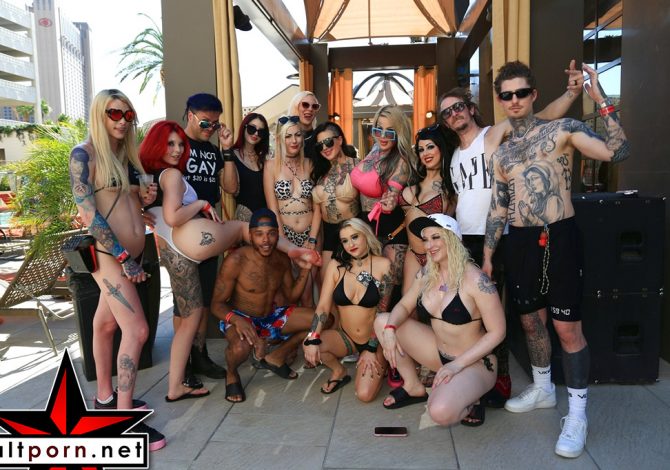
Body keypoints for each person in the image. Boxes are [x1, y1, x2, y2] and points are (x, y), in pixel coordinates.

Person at [483, 61, 630, 458]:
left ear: (533, 95)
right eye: (507, 95)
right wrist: (488, 256)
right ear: (501, 102)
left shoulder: (562, 130)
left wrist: (599, 98)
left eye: (521, 92)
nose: (514, 100)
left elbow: (617, 152)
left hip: (559, 237)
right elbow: (498, 207)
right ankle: (543, 388)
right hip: (519, 242)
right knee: (531, 322)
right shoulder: (503, 153)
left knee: (567, 329)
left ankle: (578, 415)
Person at [139, 121, 320, 402]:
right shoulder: (172, 174)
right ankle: (294, 250)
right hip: (191, 243)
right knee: (242, 229)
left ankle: (175, 386)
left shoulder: (152, 177)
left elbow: (161, 215)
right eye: (169, 144)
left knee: (188, 321)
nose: (176, 150)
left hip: (174, 251)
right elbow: (174, 216)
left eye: (180, 144)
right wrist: (201, 204)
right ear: (155, 145)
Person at [439, 60, 585, 407]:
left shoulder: (494, 135)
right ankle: (481, 378)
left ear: (470, 108)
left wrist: (572, 93)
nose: (454, 114)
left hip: (504, 236)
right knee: (477, 314)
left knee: (501, 314)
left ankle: (501, 380)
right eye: (446, 113)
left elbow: (543, 116)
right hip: (468, 241)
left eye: (458, 107)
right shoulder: (454, 157)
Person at [69, 89, 165, 450]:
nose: (122, 121)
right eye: (114, 113)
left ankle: (106, 400)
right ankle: (122, 422)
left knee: (106, 324)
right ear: (99, 113)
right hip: (110, 256)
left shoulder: (123, 156)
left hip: (128, 255)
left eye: (128, 115)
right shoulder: (84, 155)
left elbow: (124, 203)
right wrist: (124, 256)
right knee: (137, 330)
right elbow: (89, 214)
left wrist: (143, 203)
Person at [375, 214, 505, 427]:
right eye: (425, 240)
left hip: (474, 362)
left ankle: (475, 397)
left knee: (440, 412)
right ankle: (413, 386)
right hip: (438, 354)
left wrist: (457, 366)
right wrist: (390, 329)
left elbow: (498, 332)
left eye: (436, 237)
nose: (429, 245)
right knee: (382, 321)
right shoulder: (427, 274)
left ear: (452, 238)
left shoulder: (476, 280)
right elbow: (404, 306)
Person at [211, 208, 317, 403]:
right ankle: (232, 374)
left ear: (278, 235)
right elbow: (216, 305)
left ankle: (276, 356)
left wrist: (305, 270)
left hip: (269, 316)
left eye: (271, 234)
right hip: (240, 317)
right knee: (240, 347)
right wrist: (237, 320)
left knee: (321, 320)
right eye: (259, 234)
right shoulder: (236, 260)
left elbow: (291, 296)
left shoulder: (281, 259)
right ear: (250, 235)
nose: (266, 240)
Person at [302, 218, 393, 400]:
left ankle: (384, 362)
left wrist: (371, 348)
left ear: (366, 235)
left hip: (375, 341)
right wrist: (313, 336)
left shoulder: (384, 265)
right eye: (345, 240)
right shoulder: (336, 266)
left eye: (354, 237)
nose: (350, 244)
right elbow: (323, 306)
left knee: (364, 395)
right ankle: (339, 371)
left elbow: (382, 311)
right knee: (309, 344)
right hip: (346, 338)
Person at [178, 92, 234, 383]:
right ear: (190, 115)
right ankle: (183, 361)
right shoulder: (176, 145)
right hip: (181, 231)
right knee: (184, 300)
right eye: (205, 123)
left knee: (203, 298)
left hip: (208, 231)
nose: (210, 128)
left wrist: (226, 149)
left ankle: (199, 355)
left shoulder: (213, 150)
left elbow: (231, 187)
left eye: (215, 124)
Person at [264, 115, 320, 306]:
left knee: (307, 294)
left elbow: (317, 206)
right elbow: (273, 208)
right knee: (287, 295)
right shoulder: (271, 166)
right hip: (284, 236)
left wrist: (312, 239)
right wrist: (283, 241)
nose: (294, 140)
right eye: (288, 136)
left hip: (310, 235)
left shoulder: (310, 164)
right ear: (280, 139)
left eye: (297, 135)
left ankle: (309, 327)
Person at [400, 125, 456, 294]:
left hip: (437, 254)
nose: (425, 153)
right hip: (413, 253)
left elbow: (451, 229)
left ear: (441, 148)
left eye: (430, 147)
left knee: (436, 303)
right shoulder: (412, 182)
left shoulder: (450, 188)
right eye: (421, 149)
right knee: (408, 302)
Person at [310, 121, 360, 280]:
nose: (325, 148)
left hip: (354, 232)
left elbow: (368, 206)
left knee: (354, 282)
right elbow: (317, 211)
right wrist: (312, 239)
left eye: (328, 142)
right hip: (329, 235)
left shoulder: (357, 166)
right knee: (327, 282)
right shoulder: (320, 172)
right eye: (320, 146)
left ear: (339, 139)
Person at [224, 112, 270, 222]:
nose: (255, 133)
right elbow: (230, 189)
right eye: (251, 128)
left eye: (260, 131)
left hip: (266, 221)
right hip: (244, 222)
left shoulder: (265, 159)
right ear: (244, 128)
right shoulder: (230, 155)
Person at [288, 90, 321, 159]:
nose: (310, 109)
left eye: (315, 106)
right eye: (305, 105)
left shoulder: (320, 138)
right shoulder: (285, 137)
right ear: (296, 107)